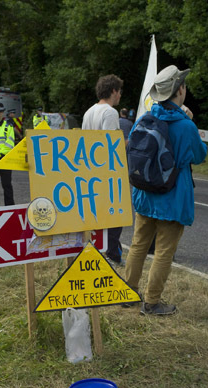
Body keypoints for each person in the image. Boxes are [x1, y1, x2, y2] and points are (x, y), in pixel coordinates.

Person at [123, 65, 207, 315]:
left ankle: (128, 293)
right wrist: (189, 120)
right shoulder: (185, 126)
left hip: (144, 194)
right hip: (172, 197)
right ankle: (152, 302)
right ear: (180, 90)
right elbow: (200, 155)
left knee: (138, 244)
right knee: (163, 252)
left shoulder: (144, 117)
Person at [82, 74, 124, 265]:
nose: (120, 96)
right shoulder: (110, 113)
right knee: (115, 214)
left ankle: (97, 249)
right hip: (106, 171)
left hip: (90, 169)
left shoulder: (89, 111)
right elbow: (111, 144)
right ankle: (113, 254)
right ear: (113, 91)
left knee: (96, 214)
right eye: (119, 91)